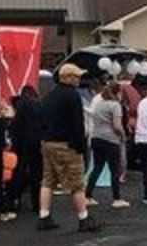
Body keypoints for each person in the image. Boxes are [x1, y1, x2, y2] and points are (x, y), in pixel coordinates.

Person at [38, 63, 103, 232]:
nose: (79, 79)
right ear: (68, 78)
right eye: (77, 76)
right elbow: (77, 125)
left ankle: (44, 216)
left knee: (48, 180)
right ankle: (84, 218)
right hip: (66, 145)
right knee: (76, 183)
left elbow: (41, 120)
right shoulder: (72, 96)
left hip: (48, 143)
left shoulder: (49, 96)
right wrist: (80, 147)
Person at [85, 82, 130, 209]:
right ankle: (117, 199)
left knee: (97, 167)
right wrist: (122, 135)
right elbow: (117, 125)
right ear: (117, 93)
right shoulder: (115, 105)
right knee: (115, 170)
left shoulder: (99, 104)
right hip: (110, 140)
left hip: (96, 138)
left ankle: (87, 196)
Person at [11, 84, 44, 214]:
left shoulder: (20, 105)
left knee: (19, 171)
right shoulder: (39, 105)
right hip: (36, 143)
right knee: (37, 173)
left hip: (21, 143)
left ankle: (15, 199)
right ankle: (36, 203)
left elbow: (15, 125)